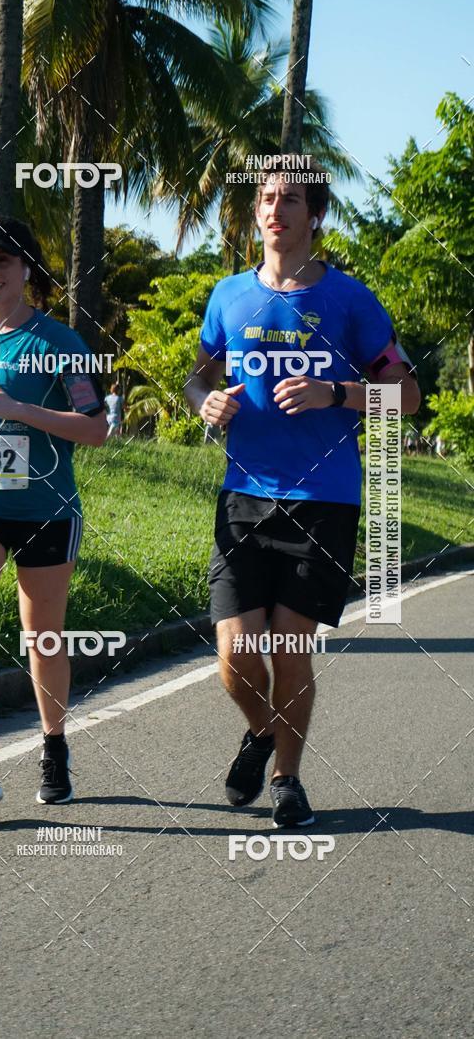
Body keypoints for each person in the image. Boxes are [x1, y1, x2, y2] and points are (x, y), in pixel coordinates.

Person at [184, 164, 420, 828]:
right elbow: (197, 379)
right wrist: (206, 403)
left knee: (290, 649)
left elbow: (406, 396)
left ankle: (287, 778)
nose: (274, 208)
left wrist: (335, 393)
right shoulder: (229, 295)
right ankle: (262, 730)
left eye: (289, 198)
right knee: (234, 656)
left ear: (314, 215)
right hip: (243, 497)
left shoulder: (350, 300)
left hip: (324, 499)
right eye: (266, 198)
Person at [0, 217, 107, 821]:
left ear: (27, 270)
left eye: (3, 261)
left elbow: (96, 429)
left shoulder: (61, 343)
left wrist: (19, 409)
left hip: (44, 508)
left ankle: (54, 746)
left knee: (43, 638)